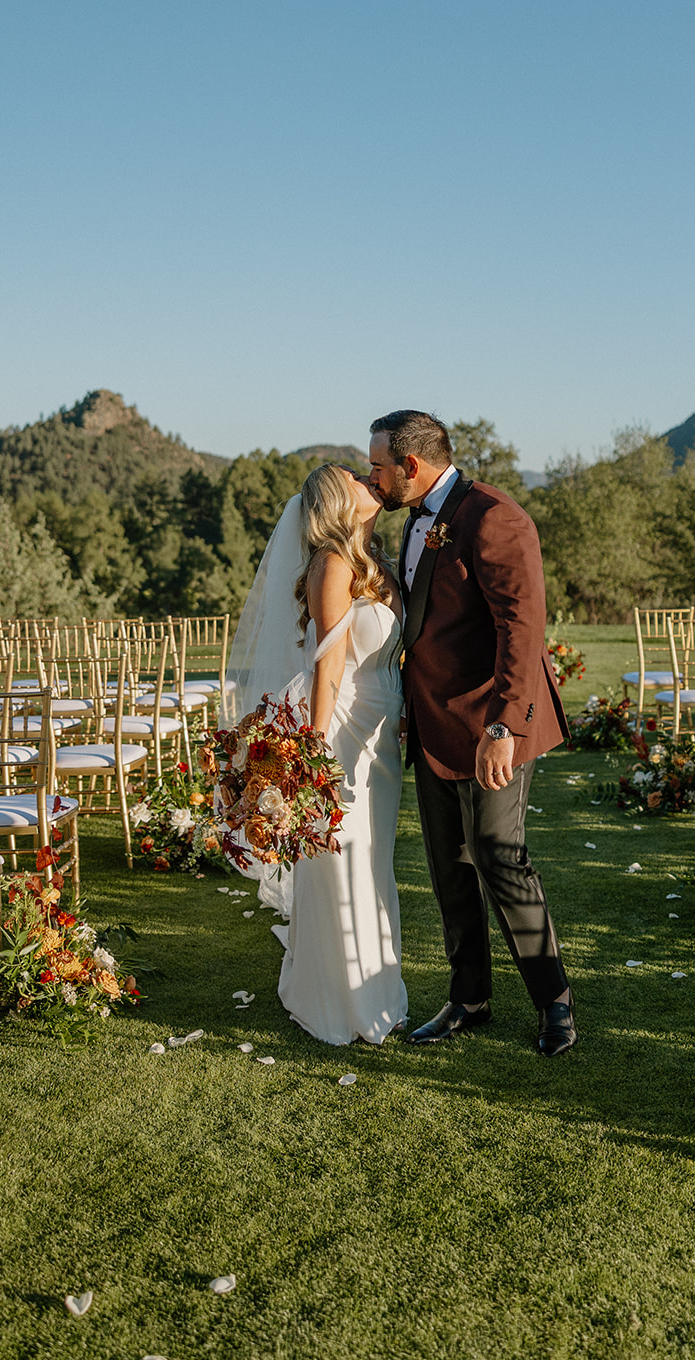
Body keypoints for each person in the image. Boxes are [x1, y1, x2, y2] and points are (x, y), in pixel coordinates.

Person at [367, 410, 576, 1057]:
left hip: (491, 723)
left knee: (496, 855)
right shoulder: (411, 523)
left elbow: (522, 628)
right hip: (431, 723)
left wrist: (503, 726)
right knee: (447, 867)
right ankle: (469, 998)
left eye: (377, 465)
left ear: (411, 465)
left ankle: (554, 1004)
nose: (371, 477)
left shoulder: (493, 515)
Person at [225, 464, 407, 1045]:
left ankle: (377, 986)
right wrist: (313, 753)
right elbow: (327, 666)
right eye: (357, 477)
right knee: (340, 853)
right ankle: (334, 1000)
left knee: (372, 859)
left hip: (380, 731)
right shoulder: (331, 563)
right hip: (344, 729)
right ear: (336, 498)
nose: (369, 481)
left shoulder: (369, 562)